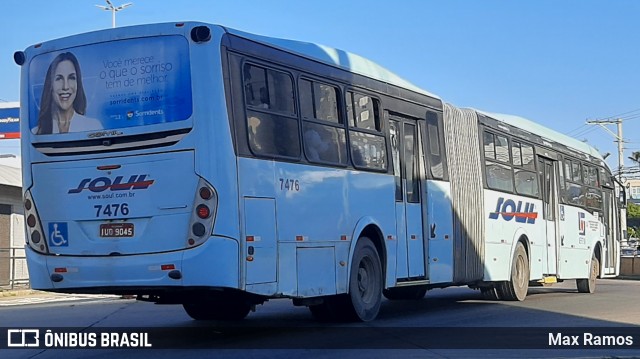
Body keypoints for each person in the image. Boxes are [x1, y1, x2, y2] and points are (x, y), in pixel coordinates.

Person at [36, 52, 101, 134]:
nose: (65, 86)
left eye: (71, 78)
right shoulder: (36, 132)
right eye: (59, 78)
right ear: (50, 85)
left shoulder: (94, 127)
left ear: (78, 83)